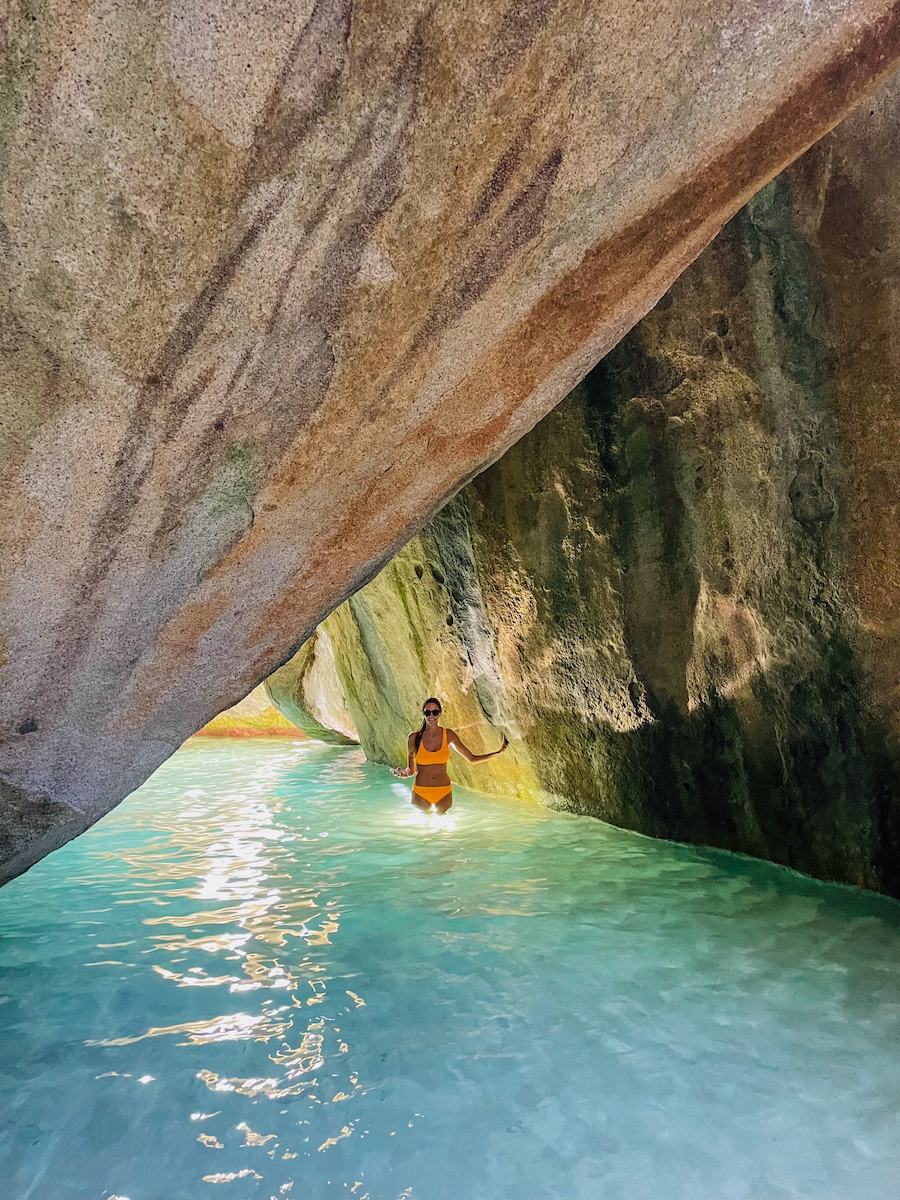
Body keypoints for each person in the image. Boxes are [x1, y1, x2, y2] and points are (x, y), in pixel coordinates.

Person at [391, 697, 508, 811]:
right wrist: (404, 773)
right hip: (421, 791)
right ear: (424, 713)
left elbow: (472, 759)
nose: (431, 716)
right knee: (423, 829)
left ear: (440, 714)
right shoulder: (413, 738)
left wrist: (498, 752)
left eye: (435, 712)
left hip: (444, 792)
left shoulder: (448, 735)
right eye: (428, 713)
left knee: (444, 829)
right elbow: (411, 770)